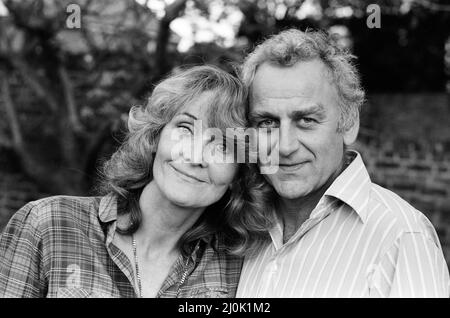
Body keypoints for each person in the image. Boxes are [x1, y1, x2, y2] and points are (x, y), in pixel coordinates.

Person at [0, 65, 271, 298]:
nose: (195, 156)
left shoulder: (237, 270)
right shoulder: (49, 223)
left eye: (222, 146)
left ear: (239, 173)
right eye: (186, 129)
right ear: (156, 136)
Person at [235, 29, 450, 298]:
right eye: (267, 123)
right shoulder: (239, 226)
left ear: (348, 124)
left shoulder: (402, 237)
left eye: (306, 120)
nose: (285, 146)